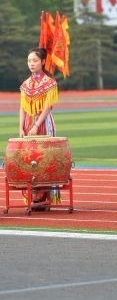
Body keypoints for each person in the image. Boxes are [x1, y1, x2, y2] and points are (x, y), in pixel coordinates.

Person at [19, 48, 60, 205]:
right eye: (29, 61)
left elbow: (48, 107)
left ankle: (45, 196)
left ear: (43, 62)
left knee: (44, 159)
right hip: (29, 124)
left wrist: (36, 125)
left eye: (35, 60)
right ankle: (32, 195)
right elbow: (22, 107)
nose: (31, 64)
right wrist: (21, 128)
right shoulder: (25, 85)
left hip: (43, 124)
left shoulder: (50, 83)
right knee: (29, 159)